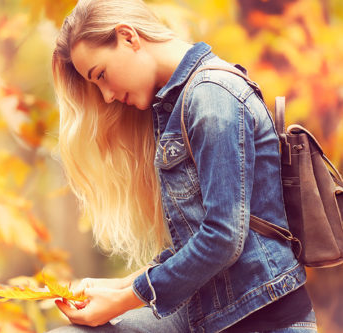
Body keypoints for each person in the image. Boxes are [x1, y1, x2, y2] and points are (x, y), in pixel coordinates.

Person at [49, 0, 317, 332]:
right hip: (212, 315)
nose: (105, 96)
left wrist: (122, 300)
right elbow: (195, 245)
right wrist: (114, 288)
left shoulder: (212, 95)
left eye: (101, 75)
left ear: (128, 37)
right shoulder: (179, 105)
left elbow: (222, 238)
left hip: (262, 319)